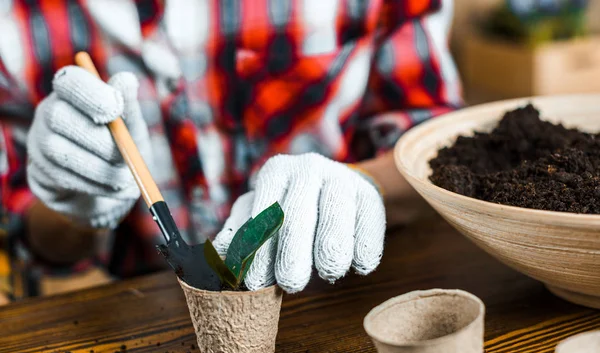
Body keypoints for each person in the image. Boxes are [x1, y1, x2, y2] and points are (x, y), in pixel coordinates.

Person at [0, 0, 461, 298]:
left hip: (353, 292)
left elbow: (445, 148)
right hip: (149, 309)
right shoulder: (15, 22)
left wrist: (365, 183)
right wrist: (75, 203)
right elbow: (35, 242)